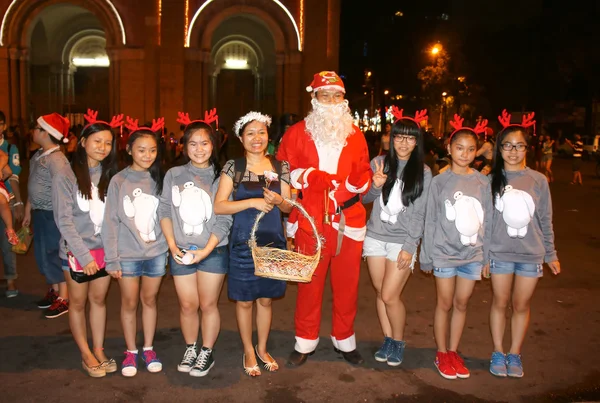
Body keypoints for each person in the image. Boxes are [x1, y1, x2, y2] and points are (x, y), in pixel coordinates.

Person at [277, 71, 371, 366]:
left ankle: (344, 339)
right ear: (314, 98)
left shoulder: (356, 134)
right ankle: (305, 341)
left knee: (347, 286)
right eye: (325, 95)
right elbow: (283, 170)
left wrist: (354, 185)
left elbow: (365, 173)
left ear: (344, 100)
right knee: (309, 286)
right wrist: (307, 176)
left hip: (348, 220)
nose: (331, 101)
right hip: (311, 221)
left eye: (337, 96)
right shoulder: (296, 132)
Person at [214, 111, 290, 377]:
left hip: (272, 243)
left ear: (268, 136)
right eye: (250, 133)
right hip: (243, 243)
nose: (256, 138)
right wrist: (252, 202)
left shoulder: (281, 167)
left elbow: (290, 205)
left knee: (266, 300)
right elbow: (219, 205)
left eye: (261, 132)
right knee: (245, 301)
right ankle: (248, 349)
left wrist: (280, 202)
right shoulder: (233, 167)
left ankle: (262, 347)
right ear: (240, 138)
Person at [487, 112, 561, 378]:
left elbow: (545, 218)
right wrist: (485, 256)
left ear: (527, 149)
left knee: (521, 305)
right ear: (500, 148)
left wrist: (550, 253)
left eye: (519, 145)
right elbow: (486, 221)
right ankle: (498, 351)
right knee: (499, 301)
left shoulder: (538, 180)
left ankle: (515, 353)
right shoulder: (491, 179)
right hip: (499, 253)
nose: (513, 151)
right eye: (507, 145)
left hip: (531, 254)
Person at [419, 115, 493, 380]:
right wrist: (426, 255)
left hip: (473, 254)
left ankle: (453, 350)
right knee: (445, 302)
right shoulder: (439, 182)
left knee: (462, 303)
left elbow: (489, 220)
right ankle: (441, 352)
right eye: (459, 148)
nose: (465, 153)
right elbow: (430, 219)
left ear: (477, 152)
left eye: (471, 149)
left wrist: (487, 256)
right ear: (449, 149)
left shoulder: (483, 182)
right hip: (444, 253)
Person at [159, 111, 232, 377]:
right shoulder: (174, 174)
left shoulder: (223, 176)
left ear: (214, 145)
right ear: (184, 146)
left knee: (208, 304)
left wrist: (205, 251)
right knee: (187, 305)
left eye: (205, 143)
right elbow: (164, 210)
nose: (199, 149)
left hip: (213, 250)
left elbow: (224, 219)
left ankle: (207, 351)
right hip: (181, 251)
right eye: (192, 143)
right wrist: (172, 245)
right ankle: (191, 347)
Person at [52, 111, 120, 377]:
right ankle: (85, 353)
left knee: (99, 300)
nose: (102, 148)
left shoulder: (111, 175)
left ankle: (99, 348)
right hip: (76, 252)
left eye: (107, 143)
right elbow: (64, 221)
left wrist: (112, 253)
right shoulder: (65, 176)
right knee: (78, 303)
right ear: (82, 142)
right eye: (97, 141)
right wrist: (85, 256)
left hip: (104, 250)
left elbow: (114, 217)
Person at [362, 110, 432, 366]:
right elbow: (365, 200)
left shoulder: (423, 172)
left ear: (417, 142)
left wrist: (409, 246)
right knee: (381, 293)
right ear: (391, 139)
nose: (404, 142)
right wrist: (376, 185)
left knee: (390, 295)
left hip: (401, 241)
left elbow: (420, 213)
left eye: (410, 138)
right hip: (375, 238)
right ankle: (388, 339)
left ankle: (399, 341)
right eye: (399, 137)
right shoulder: (379, 163)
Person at [102, 118, 168, 377]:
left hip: (156, 252)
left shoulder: (161, 178)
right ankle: (131, 351)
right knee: (129, 302)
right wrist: (112, 259)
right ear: (128, 149)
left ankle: (148, 348)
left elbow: (167, 216)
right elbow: (110, 221)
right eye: (141, 149)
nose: (147, 155)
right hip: (127, 254)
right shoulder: (118, 180)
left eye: (152, 150)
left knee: (149, 300)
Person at [22, 113, 71, 318]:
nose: (32, 131)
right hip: (39, 213)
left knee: (54, 253)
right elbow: (34, 185)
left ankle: (65, 297)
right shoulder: (38, 155)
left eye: (36, 128)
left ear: (45, 132)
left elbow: (64, 189)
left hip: (53, 214)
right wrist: (27, 209)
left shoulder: (57, 159)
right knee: (43, 254)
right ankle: (55, 290)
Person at [0, 113, 23, 297]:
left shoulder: (9, 148)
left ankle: (10, 280)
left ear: (4, 126)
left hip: (4, 199)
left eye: (0, 124)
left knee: (8, 242)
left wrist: (18, 202)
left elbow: (12, 176)